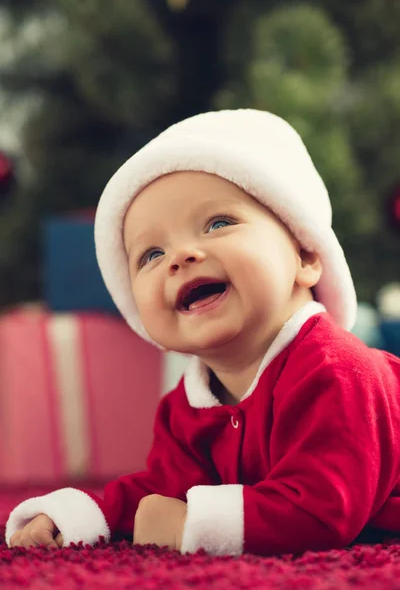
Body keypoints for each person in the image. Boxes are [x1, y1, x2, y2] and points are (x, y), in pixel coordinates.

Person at [6, 109, 400, 557]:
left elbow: (324, 509)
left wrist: (189, 525)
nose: (180, 256)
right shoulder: (184, 407)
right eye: (151, 254)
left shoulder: (338, 372)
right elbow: (162, 490)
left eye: (218, 224)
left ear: (305, 256)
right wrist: (79, 516)